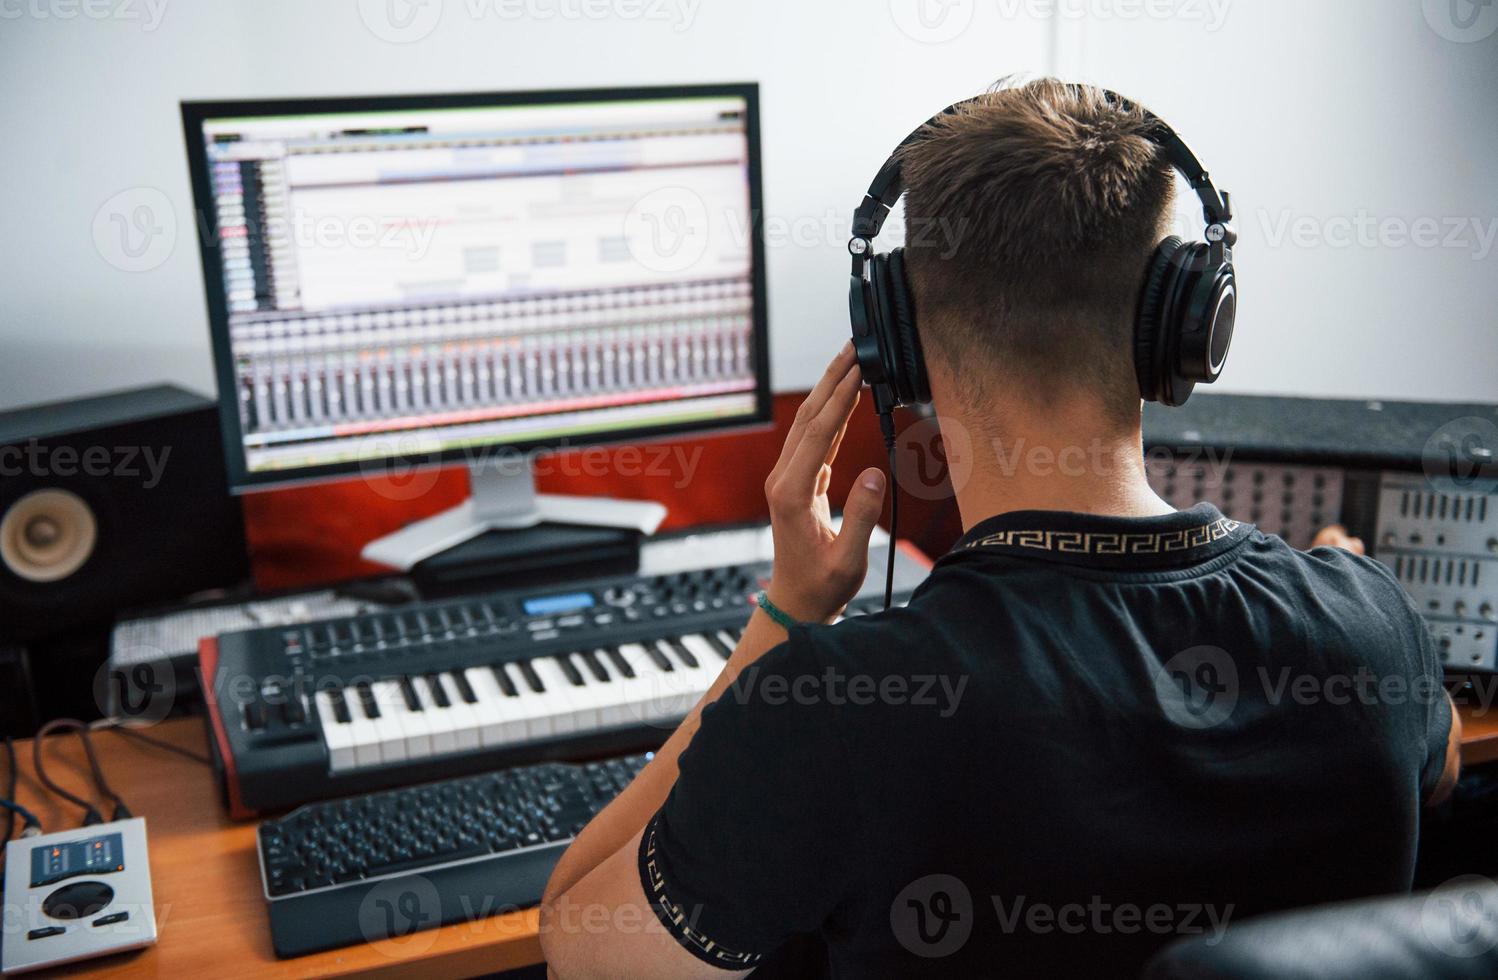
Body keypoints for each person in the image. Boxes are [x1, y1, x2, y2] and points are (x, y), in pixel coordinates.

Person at [538, 78, 1460, 978]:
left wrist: (785, 614)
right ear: (1182, 324)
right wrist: (1336, 580)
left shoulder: (836, 711)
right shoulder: (1375, 629)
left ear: (894, 336)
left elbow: (576, 939)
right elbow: (1440, 760)